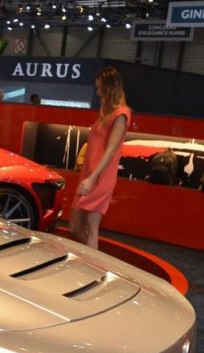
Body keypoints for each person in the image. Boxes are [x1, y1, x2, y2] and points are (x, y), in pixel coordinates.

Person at [70, 67, 131, 250]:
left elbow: (111, 149)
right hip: (88, 173)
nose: (97, 92)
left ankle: (90, 264)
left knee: (90, 228)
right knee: (75, 226)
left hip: (100, 176)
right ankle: (86, 259)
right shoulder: (104, 110)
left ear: (110, 87)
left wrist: (92, 178)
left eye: (100, 88)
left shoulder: (121, 114)